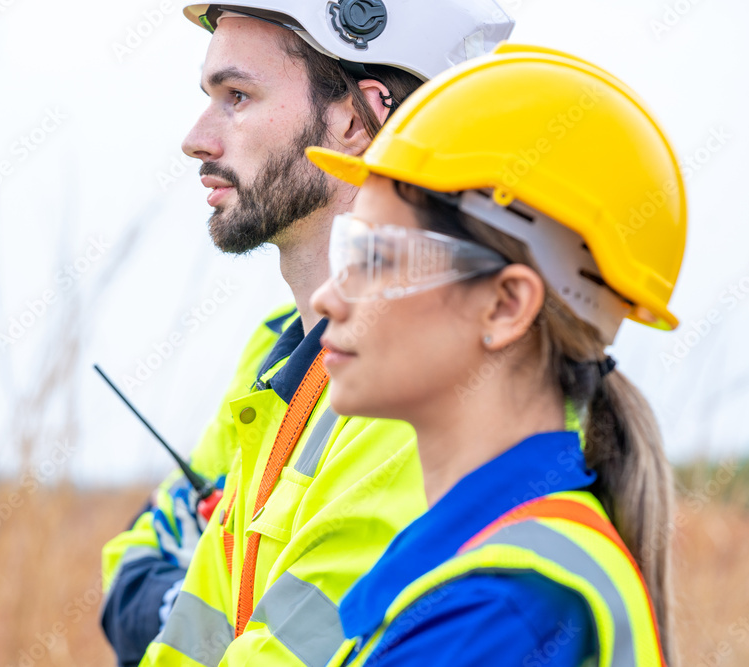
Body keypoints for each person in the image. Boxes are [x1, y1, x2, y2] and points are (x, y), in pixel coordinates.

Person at [100, 2, 516, 666]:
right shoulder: (280, 351)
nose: (197, 138)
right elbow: (140, 549)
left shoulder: (421, 390)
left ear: (354, 119)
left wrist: (176, 601)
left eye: (236, 96)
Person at [306, 43, 684, 666]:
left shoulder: (494, 614)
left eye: (374, 258)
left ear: (506, 305)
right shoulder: (485, 576)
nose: (328, 297)